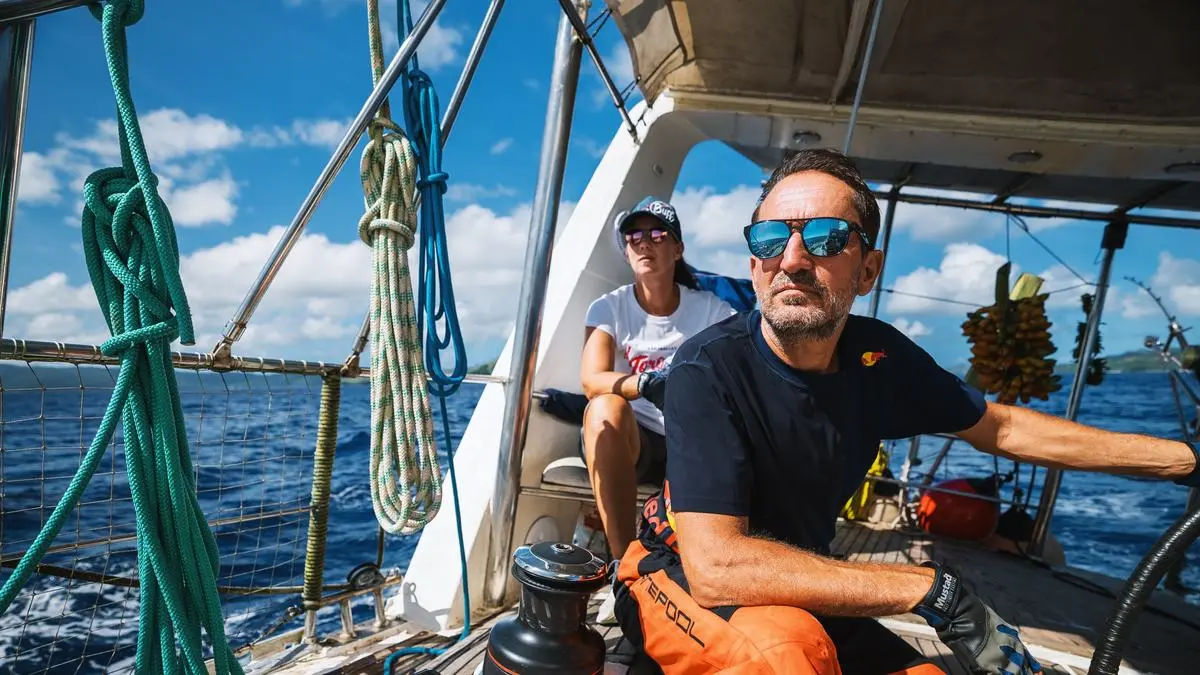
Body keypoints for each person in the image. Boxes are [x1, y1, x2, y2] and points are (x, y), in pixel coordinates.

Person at [612, 148, 1200, 675]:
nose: (790, 259)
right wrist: (933, 591)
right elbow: (718, 566)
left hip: (799, 581)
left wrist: (1184, 460)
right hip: (670, 571)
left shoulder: (879, 359)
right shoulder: (706, 368)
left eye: (823, 238)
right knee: (783, 656)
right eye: (770, 239)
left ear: (868, 269)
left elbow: (1003, 426)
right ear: (752, 264)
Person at [580, 197, 737, 564]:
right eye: (633, 234)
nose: (643, 241)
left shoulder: (711, 309)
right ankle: (624, 565)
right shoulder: (608, 307)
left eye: (657, 233)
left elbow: (742, 359)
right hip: (636, 441)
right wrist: (648, 383)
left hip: (691, 438)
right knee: (604, 408)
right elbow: (591, 379)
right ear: (625, 251)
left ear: (678, 248)